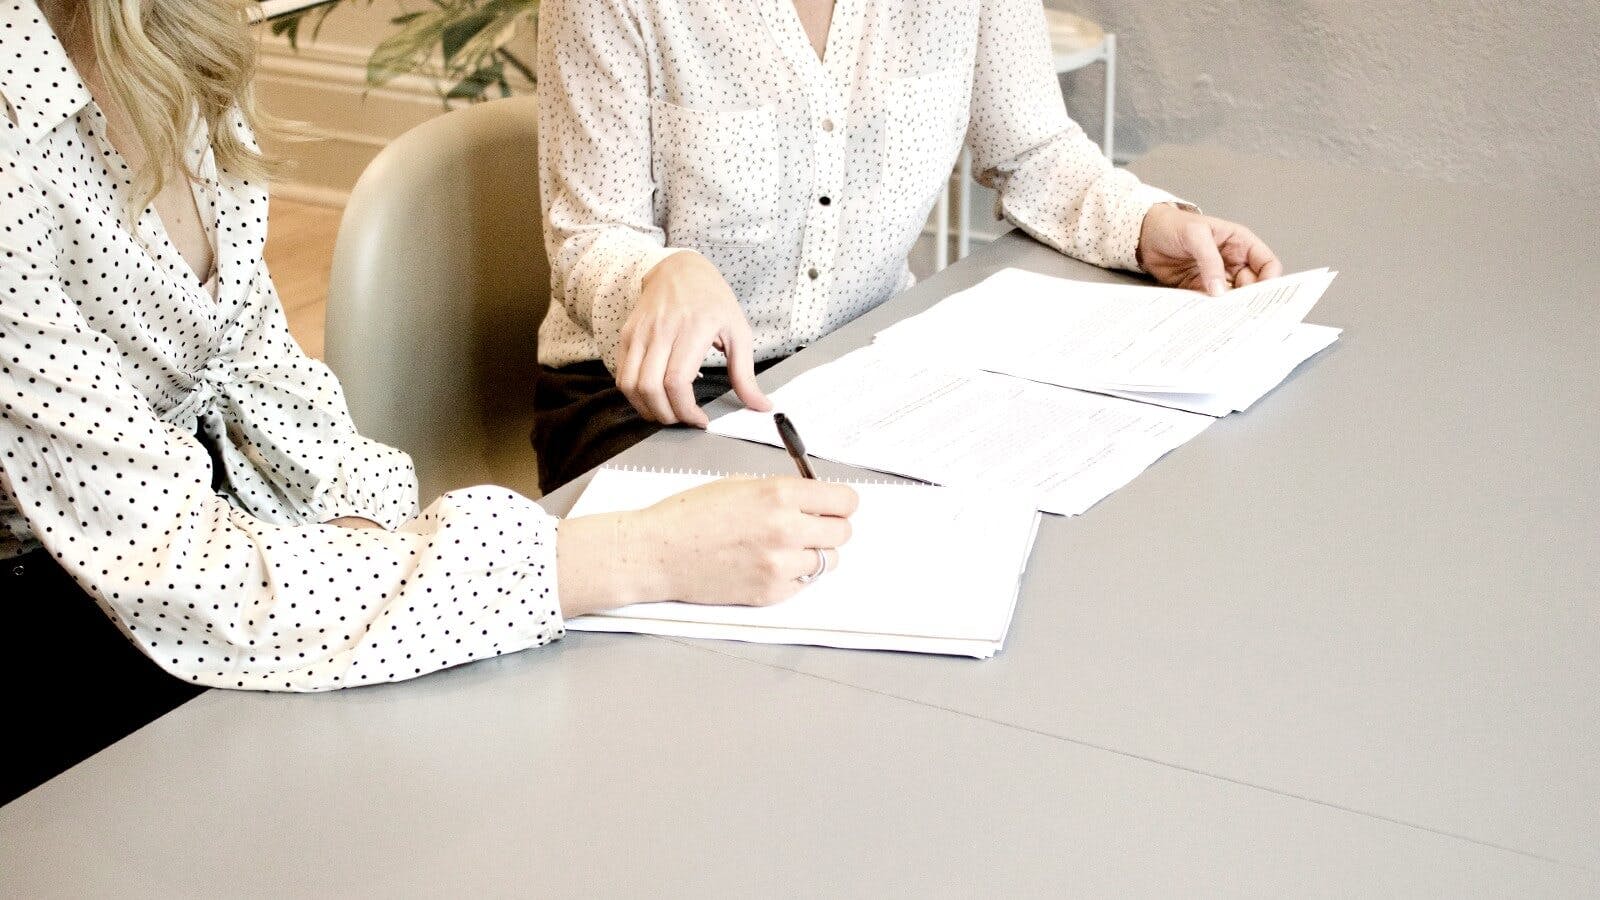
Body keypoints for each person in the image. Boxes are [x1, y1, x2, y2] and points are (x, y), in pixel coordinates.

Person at [0, 0, 856, 805]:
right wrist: (636, 556)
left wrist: (367, 534)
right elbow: (183, 574)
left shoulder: (173, 39)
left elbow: (260, 374)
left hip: (208, 550)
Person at [534, 0, 1284, 491]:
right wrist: (660, 272)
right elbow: (590, 234)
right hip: (648, 398)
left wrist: (1148, 224)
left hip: (859, 371)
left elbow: (1031, 148)